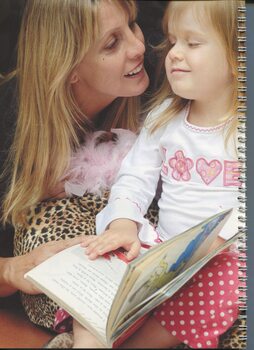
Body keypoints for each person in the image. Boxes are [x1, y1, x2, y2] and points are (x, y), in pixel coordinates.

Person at [73, 1, 245, 348]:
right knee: (99, 258)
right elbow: (135, 177)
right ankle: (87, 342)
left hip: (219, 256)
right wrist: (123, 223)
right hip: (162, 248)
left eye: (192, 44)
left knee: (230, 279)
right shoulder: (165, 117)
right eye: (171, 42)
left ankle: (147, 343)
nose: (174, 54)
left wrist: (220, 241)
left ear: (237, 57)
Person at [0, 0, 151, 331]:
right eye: (112, 43)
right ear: (68, 69)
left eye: (133, 25)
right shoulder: (8, 126)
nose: (139, 45)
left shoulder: (156, 87)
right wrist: (12, 270)